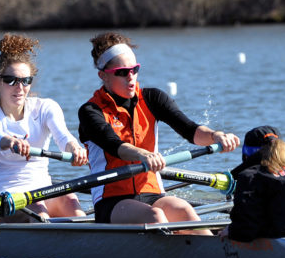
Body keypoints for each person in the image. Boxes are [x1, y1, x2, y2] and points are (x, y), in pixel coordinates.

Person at [77, 32, 239, 233]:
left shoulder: (153, 99)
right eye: (122, 72)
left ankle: (216, 257)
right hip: (112, 201)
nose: (131, 77)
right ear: (103, 75)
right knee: (155, 217)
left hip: (153, 193)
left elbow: (191, 131)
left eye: (135, 70)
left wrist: (216, 136)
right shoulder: (90, 111)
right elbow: (114, 145)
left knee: (184, 210)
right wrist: (144, 155)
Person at [0, 34, 88, 222]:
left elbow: (63, 136)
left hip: (43, 193)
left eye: (26, 81)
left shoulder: (45, 107)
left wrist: (75, 148)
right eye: (11, 80)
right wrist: (10, 141)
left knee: (70, 200)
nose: (20, 87)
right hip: (3, 202)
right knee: (38, 209)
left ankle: (90, 240)